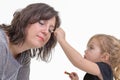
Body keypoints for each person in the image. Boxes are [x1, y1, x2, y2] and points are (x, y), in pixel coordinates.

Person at [0, 3, 60, 80]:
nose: (46, 32)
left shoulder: (24, 56)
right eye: (41, 23)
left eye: (50, 30)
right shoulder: (1, 44)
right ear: (26, 19)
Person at [54, 28, 120, 80]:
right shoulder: (96, 73)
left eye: (91, 48)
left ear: (104, 57)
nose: (85, 51)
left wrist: (62, 40)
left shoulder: (105, 69)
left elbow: (79, 61)